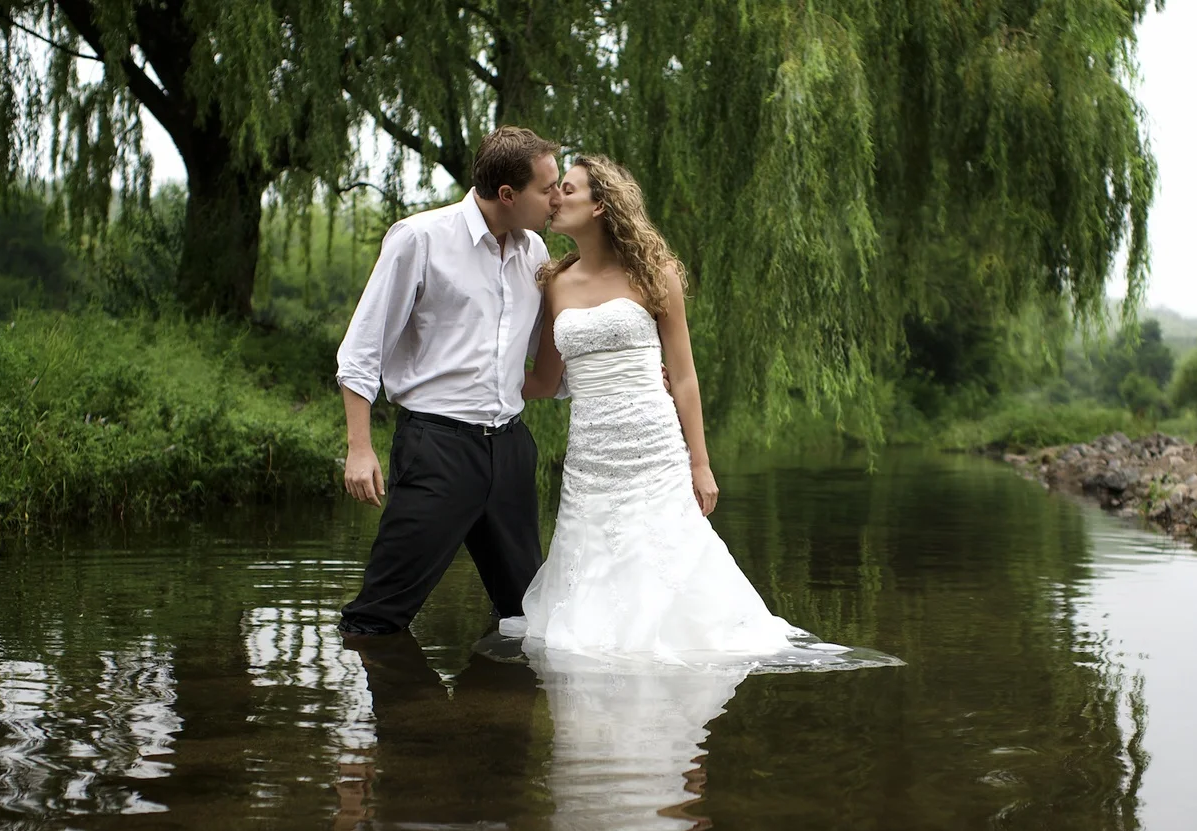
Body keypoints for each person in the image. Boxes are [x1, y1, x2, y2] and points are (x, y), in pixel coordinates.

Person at [503, 155, 836, 662]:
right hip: (590, 454)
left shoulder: (654, 275)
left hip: (653, 445)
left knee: (665, 558)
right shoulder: (554, 282)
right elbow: (547, 382)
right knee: (591, 564)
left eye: (566, 191)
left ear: (599, 205)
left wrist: (699, 464)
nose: (554, 200)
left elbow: (682, 375)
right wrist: (478, 381)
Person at [335, 126, 561, 635]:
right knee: (378, 617)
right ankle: (396, 712)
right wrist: (359, 448)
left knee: (526, 616)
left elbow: (545, 366)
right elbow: (362, 352)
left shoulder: (535, 255)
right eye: (546, 188)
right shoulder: (420, 238)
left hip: (510, 451)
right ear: (508, 194)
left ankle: (500, 713)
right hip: (436, 448)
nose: (557, 197)